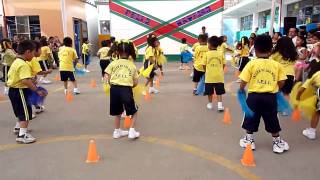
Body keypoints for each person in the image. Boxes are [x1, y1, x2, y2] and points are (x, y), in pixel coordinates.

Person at [238, 35, 289, 154]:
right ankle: (277, 141)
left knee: (251, 117)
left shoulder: (251, 64)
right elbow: (282, 82)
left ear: (255, 50)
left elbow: (243, 81)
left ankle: (249, 140)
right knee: (272, 118)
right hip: (270, 97)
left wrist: (241, 90)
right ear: (271, 50)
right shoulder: (276, 65)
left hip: (254, 97)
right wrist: (276, 88)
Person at [7, 40, 47, 144]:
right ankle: (22, 135)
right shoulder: (23, 64)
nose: (33, 56)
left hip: (13, 91)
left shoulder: (16, 62)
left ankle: (20, 130)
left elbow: (20, 77)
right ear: (28, 52)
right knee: (25, 114)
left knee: (21, 113)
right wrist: (37, 90)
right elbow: (25, 80)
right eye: (33, 53)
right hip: (20, 91)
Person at [105, 40, 140, 139]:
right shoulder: (131, 65)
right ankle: (132, 131)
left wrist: (111, 84)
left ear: (117, 52)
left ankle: (117, 132)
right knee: (134, 110)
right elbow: (136, 82)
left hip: (114, 89)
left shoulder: (113, 63)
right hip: (126, 89)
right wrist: (131, 86)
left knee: (118, 112)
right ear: (129, 52)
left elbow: (107, 76)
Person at [28, 41, 52, 114]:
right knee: (41, 92)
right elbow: (39, 72)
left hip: (29, 80)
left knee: (32, 94)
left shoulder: (26, 59)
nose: (41, 51)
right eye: (40, 49)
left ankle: (37, 107)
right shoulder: (33, 59)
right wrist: (47, 71)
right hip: (30, 81)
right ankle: (29, 112)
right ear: (35, 50)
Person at [202, 36, 226, 111]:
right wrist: (220, 69)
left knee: (209, 92)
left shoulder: (207, 54)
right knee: (219, 92)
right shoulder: (220, 53)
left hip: (209, 77)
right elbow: (224, 64)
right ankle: (220, 105)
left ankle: (210, 104)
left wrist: (206, 70)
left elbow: (203, 64)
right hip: (219, 76)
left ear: (210, 44)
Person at [297, 71, 320, 140]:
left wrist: (297, 99)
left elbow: (301, 90)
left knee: (317, 112)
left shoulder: (317, 74)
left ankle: (311, 132)